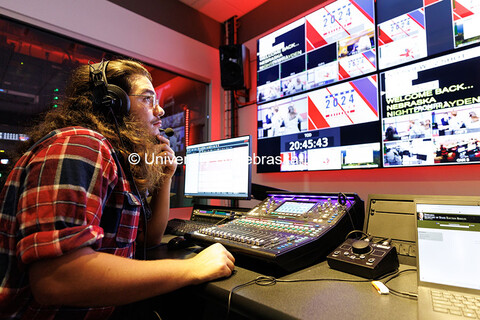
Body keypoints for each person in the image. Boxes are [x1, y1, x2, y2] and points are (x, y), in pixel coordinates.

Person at [0, 59, 235, 320]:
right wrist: (193, 268)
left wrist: (166, 177)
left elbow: (149, 239)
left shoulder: (112, 157)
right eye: (147, 99)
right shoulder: (81, 145)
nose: (160, 110)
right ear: (113, 103)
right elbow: (58, 278)